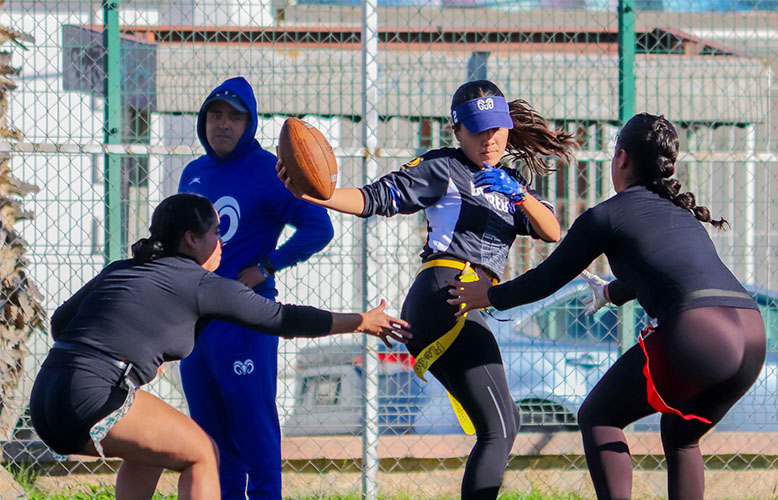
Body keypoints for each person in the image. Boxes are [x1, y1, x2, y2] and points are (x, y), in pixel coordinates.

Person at [276, 79, 577, 500]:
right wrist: (313, 194)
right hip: (446, 295)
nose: (489, 139)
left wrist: (520, 195)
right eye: (476, 129)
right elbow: (374, 198)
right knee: (500, 428)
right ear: (456, 131)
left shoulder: (509, 182)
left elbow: (552, 231)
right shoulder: (444, 168)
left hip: (465, 300)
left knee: (505, 420)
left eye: (496, 128)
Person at [448, 113, 766, 500]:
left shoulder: (606, 216)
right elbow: (668, 274)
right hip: (751, 335)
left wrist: (489, 296)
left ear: (622, 159)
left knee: (598, 416)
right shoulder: (682, 216)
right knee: (681, 436)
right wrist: (611, 294)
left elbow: (548, 277)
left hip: (698, 334)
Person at [30, 193, 409, 499]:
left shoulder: (121, 268)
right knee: (202, 453)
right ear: (191, 239)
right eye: (215, 231)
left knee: (152, 452)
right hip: (92, 397)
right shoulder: (201, 284)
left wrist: (128, 349)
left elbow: (61, 323)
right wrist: (361, 321)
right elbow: (284, 319)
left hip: (46, 396)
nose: (221, 241)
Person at [178, 76, 334, 499]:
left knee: (254, 432)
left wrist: (267, 265)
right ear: (203, 120)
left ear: (250, 124)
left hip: (245, 323)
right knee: (208, 441)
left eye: (234, 116)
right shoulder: (194, 173)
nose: (223, 124)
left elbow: (319, 227)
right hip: (196, 327)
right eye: (215, 114)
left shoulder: (271, 170)